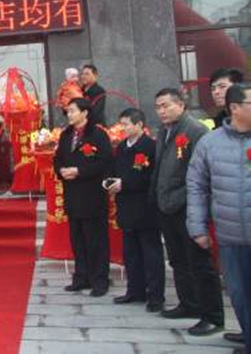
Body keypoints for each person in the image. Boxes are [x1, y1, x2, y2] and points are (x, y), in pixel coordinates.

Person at [151, 88, 224, 336]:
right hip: (166, 206)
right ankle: (189, 304)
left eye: (166, 106)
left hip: (188, 206)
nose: (161, 111)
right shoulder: (164, 131)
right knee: (178, 260)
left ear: (181, 105)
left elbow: (202, 174)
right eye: (158, 107)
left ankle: (212, 315)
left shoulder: (196, 131)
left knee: (200, 263)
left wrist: (182, 198)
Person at [187, 84, 251, 352]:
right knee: (240, 294)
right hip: (231, 235)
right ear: (234, 108)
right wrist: (197, 226)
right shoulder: (210, 143)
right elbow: (196, 186)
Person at [53, 98, 112, 297]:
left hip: (92, 196)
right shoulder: (66, 135)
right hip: (72, 195)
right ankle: (81, 277)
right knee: (77, 240)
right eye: (67, 111)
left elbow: (104, 162)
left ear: (85, 113)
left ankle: (100, 280)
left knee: (96, 241)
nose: (69, 115)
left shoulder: (98, 134)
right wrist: (61, 171)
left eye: (72, 111)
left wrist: (79, 171)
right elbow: (57, 159)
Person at [107, 109, 164, 312]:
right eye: (121, 124)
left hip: (145, 208)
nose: (123, 128)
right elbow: (117, 170)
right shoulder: (122, 147)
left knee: (151, 254)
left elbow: (151, 177)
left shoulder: (150, 146)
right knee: (131, 254)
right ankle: (135, 290)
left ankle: (156, 296)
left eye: (127, 124)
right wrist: (111, 182)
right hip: (126, 207)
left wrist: (125, 183)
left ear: (139, 125)